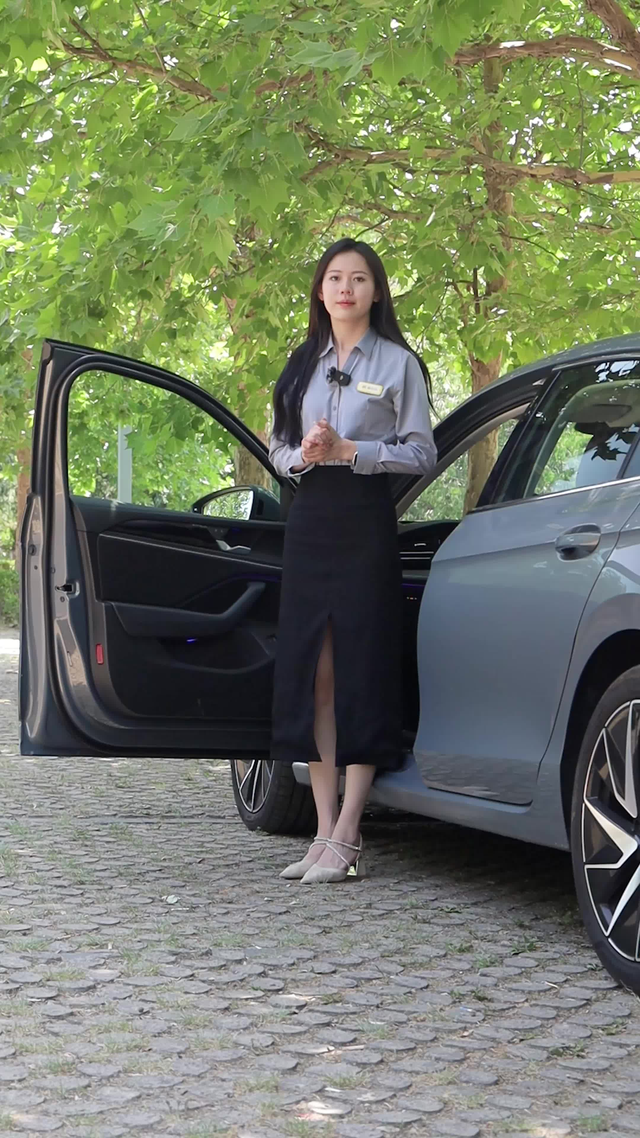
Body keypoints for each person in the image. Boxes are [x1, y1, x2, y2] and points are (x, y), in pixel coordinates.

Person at [268, 238, 436, 883]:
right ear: (320, 290)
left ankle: (349, 831)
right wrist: (307, 455)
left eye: (359, 278)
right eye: (335, 278)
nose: (346, 288)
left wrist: (352, 452)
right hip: (311, 520)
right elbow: (277, 448)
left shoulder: (399, 364)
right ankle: (321, 830)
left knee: (362, 668)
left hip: (365, 519)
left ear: (376, 291)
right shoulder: (300, 363)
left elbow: (422, 452)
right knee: (317, 673)